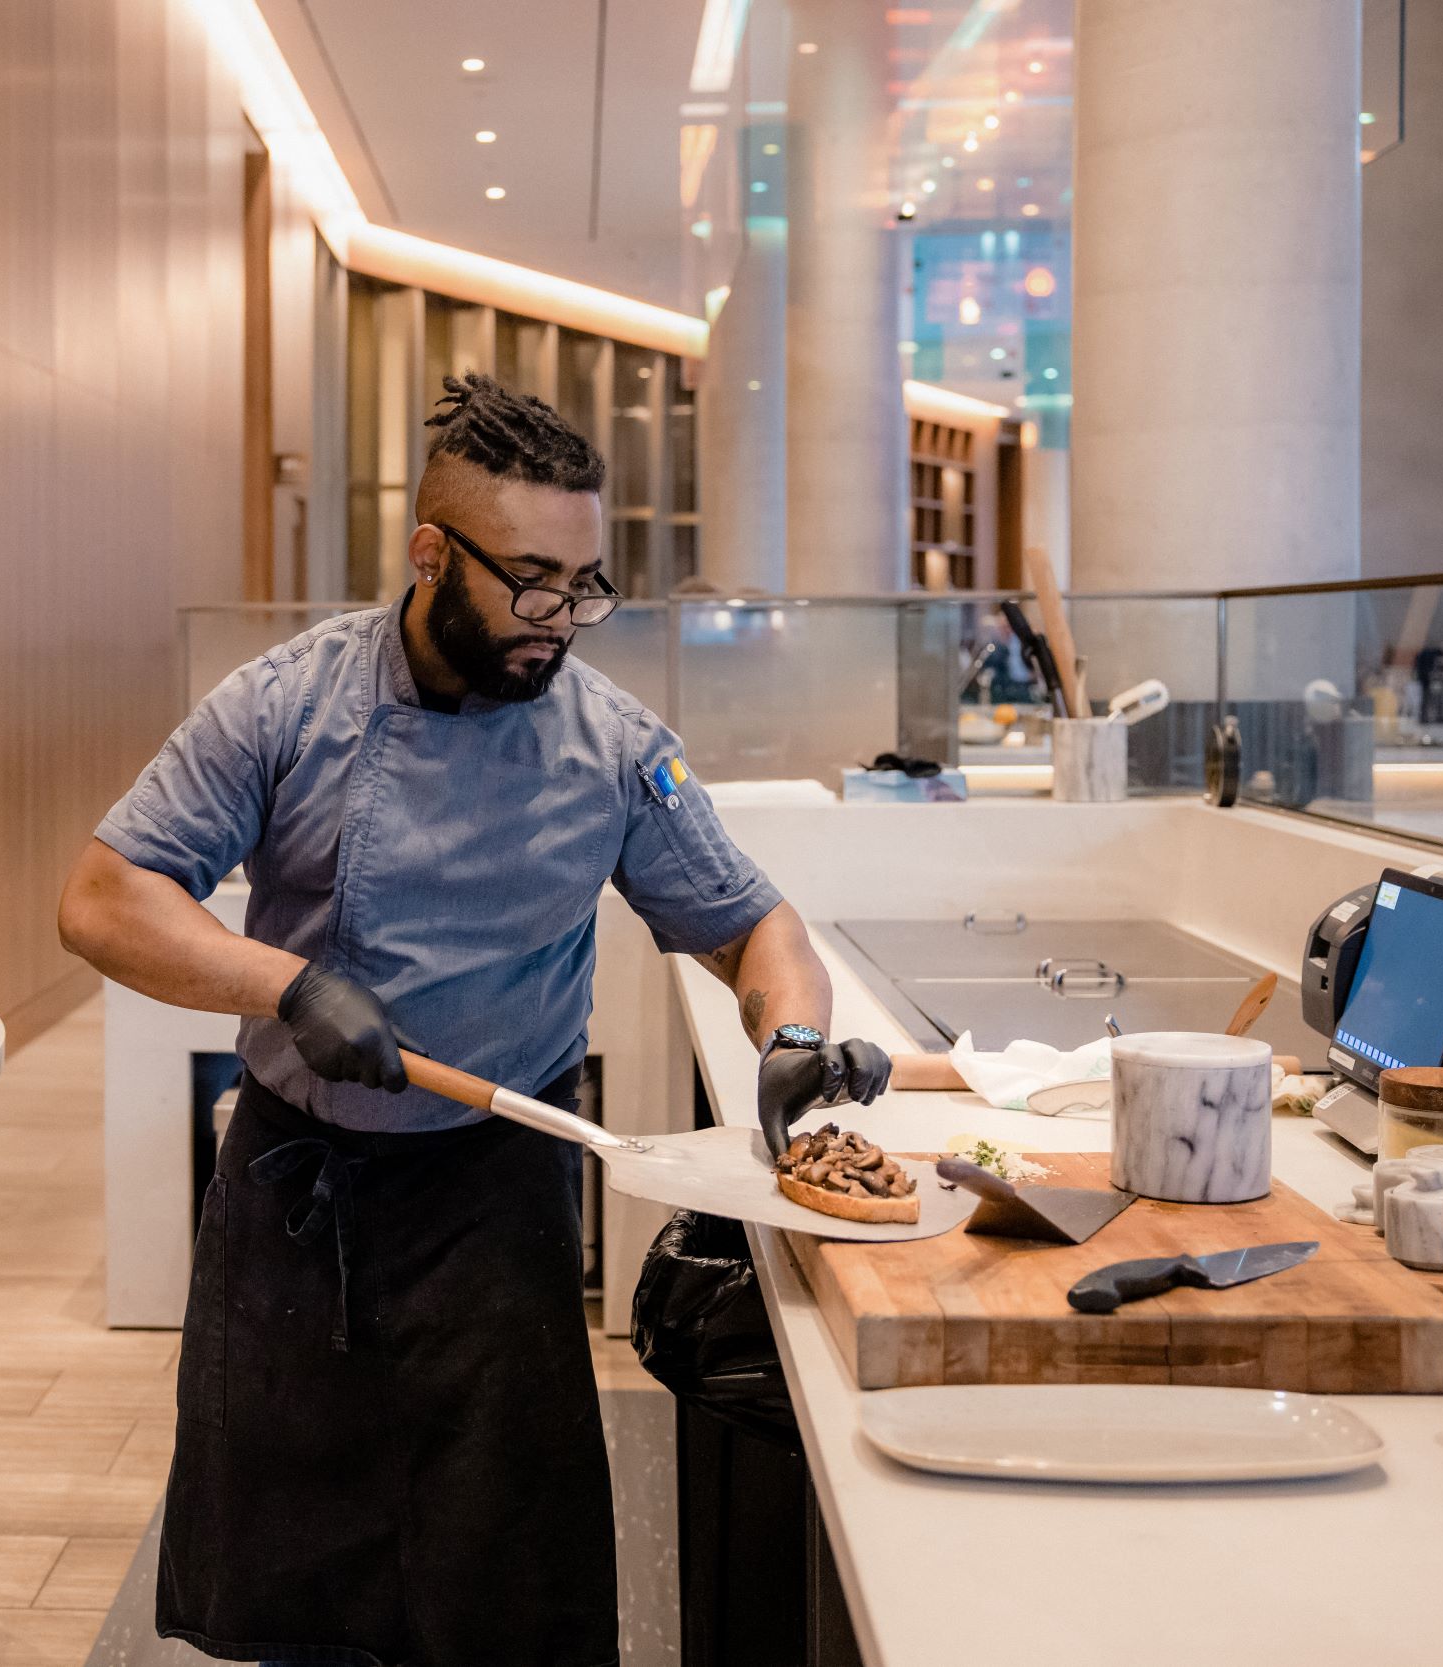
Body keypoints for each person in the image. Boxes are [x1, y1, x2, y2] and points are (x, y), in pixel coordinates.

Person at [57, 374, 890, 1667]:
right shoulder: (286, 703)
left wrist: (787, 1038)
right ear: (432, 553)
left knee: (507, 1586)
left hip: (498, 1199)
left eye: (588, 583)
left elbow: (756, 930)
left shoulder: (614, 748)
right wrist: (287, 986)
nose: (562, 621)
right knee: (294, 1591)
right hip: (296, 1187)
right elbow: (105, 898)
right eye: (534, 581)